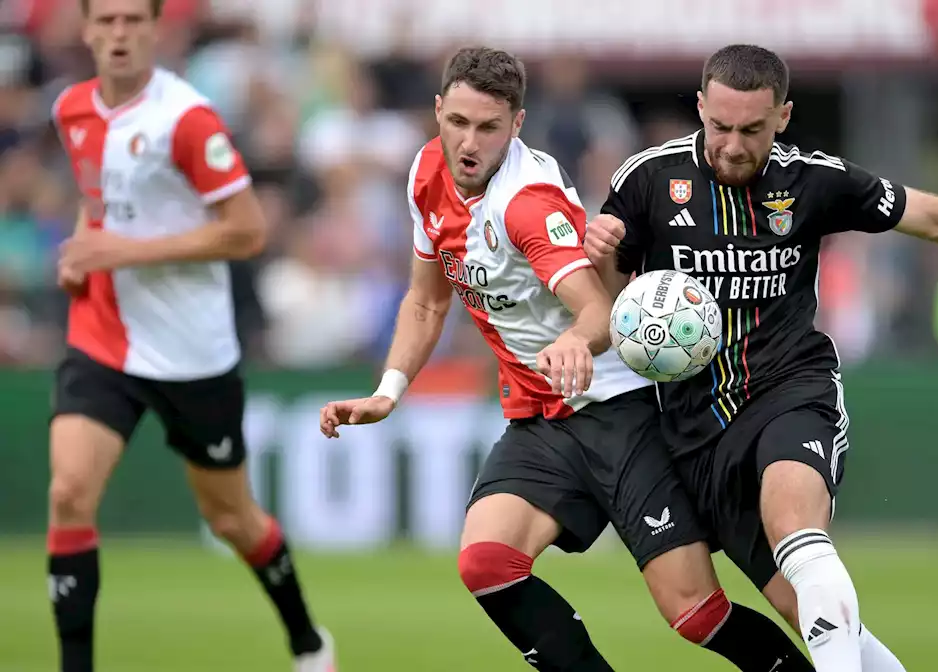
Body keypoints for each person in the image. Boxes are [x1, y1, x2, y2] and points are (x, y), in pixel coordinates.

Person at [584, 44, 938, 672]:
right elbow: (615, 317)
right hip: (697, 432)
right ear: (700, 107)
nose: (734, 145)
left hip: (789, 390)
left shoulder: (814, 179)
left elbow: (937, 219)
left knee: (794, 521)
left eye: (752, 129)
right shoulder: (644, 181)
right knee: (816, 619)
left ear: (782, 117)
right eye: (719, 126)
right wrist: (604, 255)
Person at [317, 47, 811, 672]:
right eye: (458, 122)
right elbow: (424, 300)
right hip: (544, 415)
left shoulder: (529, 204)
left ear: (517, 124)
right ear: (438, 111)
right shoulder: (426, 175)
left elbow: (597, 311)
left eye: (489, 127)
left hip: (621, 412)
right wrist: (388, 392)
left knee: (693, 611)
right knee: (486, 563)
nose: (469, 142)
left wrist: (577, 340)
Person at [45, 1, 335, 671]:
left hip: (193, 352)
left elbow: (248, 229)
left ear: (155, 29)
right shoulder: (71, 111)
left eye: (132, 21)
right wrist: (82, 255)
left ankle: (308, 642)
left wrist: (120, 253)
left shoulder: (186, 119)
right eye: (106, 21)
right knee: (68, 493)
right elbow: (105, 210)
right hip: (105, 335)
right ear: (85, 29)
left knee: (234, 520)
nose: (119, 35)